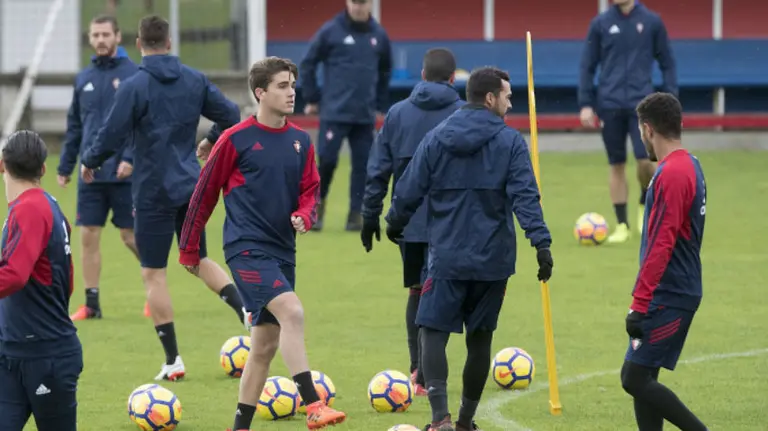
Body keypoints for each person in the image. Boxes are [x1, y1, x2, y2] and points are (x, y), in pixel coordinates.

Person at [177, 56, 347, 431]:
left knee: (264, 347)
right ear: (260, 93)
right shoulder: (234, 139)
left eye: (292, 85)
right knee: (293, 312)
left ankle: (240, 427)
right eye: (282, 86)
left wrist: (305, 215)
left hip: (283, 251)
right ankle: (313, 405)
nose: (291, 92)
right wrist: (189, 249)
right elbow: (203, 195)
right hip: (245, 249)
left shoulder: (301, 142)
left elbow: (311, 191)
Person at [385, 67, 554, 431]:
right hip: (494, 261)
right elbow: (526, 196)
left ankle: (439, 418)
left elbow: (410, 187)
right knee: (480, 339)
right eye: (507, 97)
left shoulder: (436, 137)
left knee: (431, 331)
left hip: (447, 257)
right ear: (490, 98)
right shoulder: (510, 142)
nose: (510, 104)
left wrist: (395, 221)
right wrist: (540, 243)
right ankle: (464, 422)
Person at [80, 15, 245, 381]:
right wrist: (210, 138)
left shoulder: (135, 86)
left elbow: (111, 133)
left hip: (153, 191)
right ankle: (245, 309)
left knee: (153, 273)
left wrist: (90, 160)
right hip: (191, 188)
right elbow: (231, 114)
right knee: (197, 260)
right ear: (169, 43)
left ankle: (173, 360)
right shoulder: (194, 79)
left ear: (139, 44)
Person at [360, 47, 464, 397]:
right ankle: (432, 373)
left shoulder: (397, 113)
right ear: (453, 78)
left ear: (422, 75)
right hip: (454, 222)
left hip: (409, 221)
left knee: (418, 291)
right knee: (444, 293)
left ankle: (418, 371)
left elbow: (378, 168)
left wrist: (370, 214)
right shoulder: (464, 114)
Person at [621, 92, 708, 431]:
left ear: (647, 129)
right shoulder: (689, 164)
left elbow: (661, 243)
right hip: (674, 288)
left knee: (633, 377)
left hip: (669, 293)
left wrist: (639, 302)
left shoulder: (672, 173)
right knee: (643, 375)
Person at [57, 15, 145, 321]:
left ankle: (155, 289)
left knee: (130, 236)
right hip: (90, 174)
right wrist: (66, 165)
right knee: (88, 236)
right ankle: (92, 304)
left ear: (118, 37)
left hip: (124, 173)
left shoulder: (134, 74)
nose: (100, 40)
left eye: (106, 34)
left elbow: (140, 123)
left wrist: (130, 158)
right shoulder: (84, 78)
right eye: (95, 35)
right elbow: (75, 126)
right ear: (90, 38)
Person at [0, 130, 82, 431]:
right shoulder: (47, 205)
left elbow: (13, 275)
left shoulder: (30, 209)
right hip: (13, 351)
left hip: (45, 356)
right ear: (44, 168)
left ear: (3, 166)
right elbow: (66, 280)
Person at [578, 0, 677, 243]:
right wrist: (586, 103)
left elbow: (667, 63)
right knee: (617, 164)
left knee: (646, 161)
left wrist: (669, 99)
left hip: (642, 105)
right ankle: (622, 224)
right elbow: (587, 66)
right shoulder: (600, 24)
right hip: (609, 104)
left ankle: (645, 202)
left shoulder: (652, 22)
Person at [299, 0, 392, 231]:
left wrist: (380, 102)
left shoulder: (379, 35)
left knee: (363, 166)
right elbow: (308, 63)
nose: (358, 7)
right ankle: (316, 210)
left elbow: (385, 70)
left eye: (363, 3)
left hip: (364, 115)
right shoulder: (331, 30)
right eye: (354, 2)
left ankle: (355, 215)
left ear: (370, 4)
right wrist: (312, 97)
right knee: (327, 162)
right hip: (334, 113)